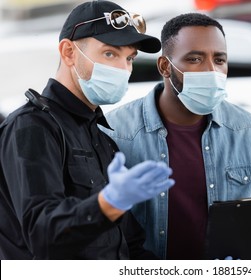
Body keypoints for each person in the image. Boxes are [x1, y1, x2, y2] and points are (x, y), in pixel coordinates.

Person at [0, 0, 175, 260]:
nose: (123, 69)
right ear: (69, 52)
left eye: (129, 58)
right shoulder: (31, 128)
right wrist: (108, 204)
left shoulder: (101, 137)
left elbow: (130, 244)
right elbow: (43, 235)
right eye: (109, 54)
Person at [102, 13, 251, 260]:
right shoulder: (115, 130)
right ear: (164, 66)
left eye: (219, 60)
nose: (211, 70)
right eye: (194, 59)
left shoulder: (248, 131)